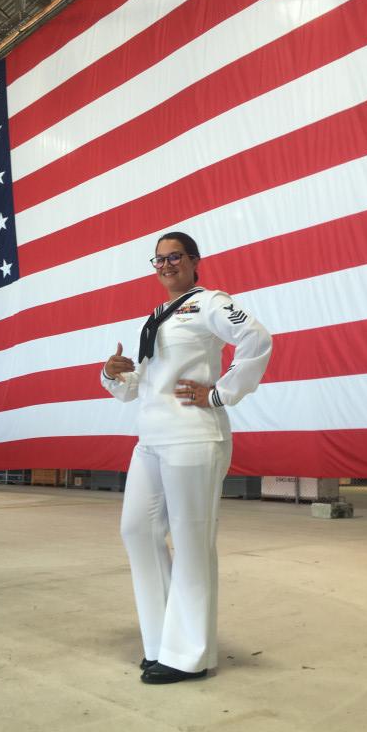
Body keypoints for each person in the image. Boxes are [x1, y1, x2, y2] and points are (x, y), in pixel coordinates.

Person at [101, 231, 272, 684]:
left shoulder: (211, 303)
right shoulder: (156, 316)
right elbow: (144, 382)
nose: (166, 265)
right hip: (152, 437)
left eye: (174, 257)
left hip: (193, 437)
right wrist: (113, 374)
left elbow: (256, 340)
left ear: (194, 261)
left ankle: (189, 654)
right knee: (137, 530)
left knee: (192, 543)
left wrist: (219, 393)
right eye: (158, 260)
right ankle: (160, 643)